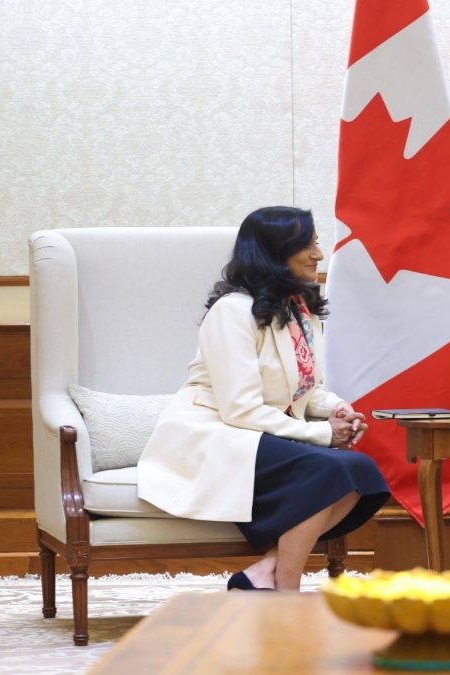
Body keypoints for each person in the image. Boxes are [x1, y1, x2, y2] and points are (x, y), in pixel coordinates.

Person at [138, 206, 390, 591]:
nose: (318, 255)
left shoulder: (300, 311)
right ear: (273, 252)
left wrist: (337, 409)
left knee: (365, 473)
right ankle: (287, 588)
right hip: (215, 433)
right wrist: (323, 435)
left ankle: (263, 577)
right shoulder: (232, 311)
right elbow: (240, 408)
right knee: (331, 470)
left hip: (260, 433)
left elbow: (307, 388)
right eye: (307, 245)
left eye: (316, 243)